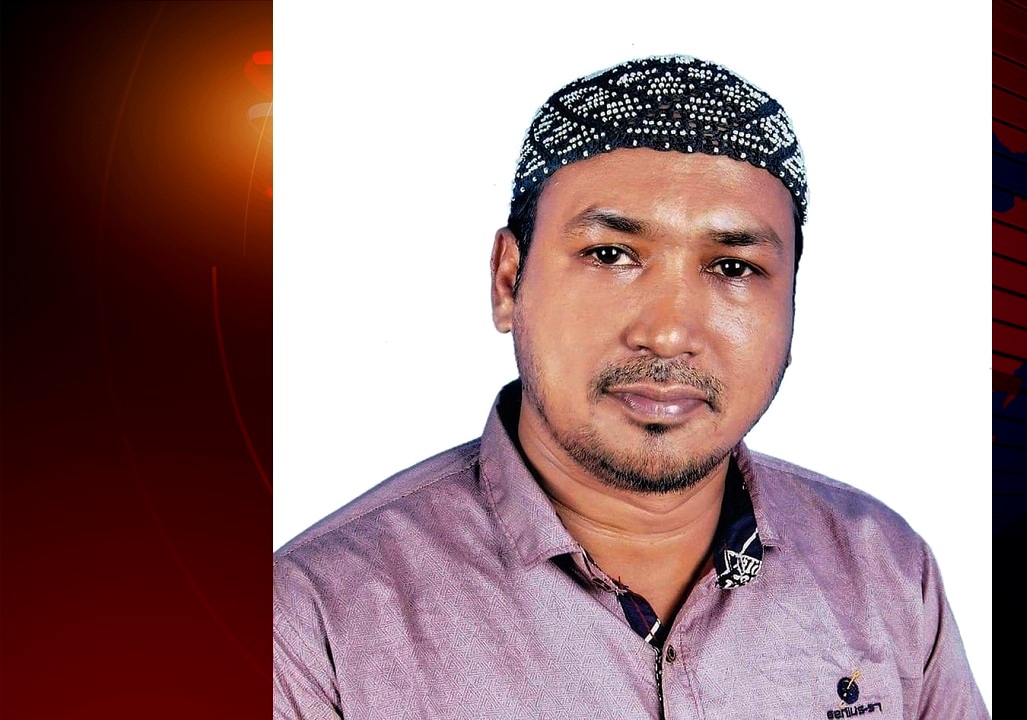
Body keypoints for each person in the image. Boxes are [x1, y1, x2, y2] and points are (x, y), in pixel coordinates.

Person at [274, 55, 988, 719]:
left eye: (733, 268)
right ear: (507, 281)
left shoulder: (884, 571)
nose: (669, 333)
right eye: (611, 254)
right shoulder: (311, 624)